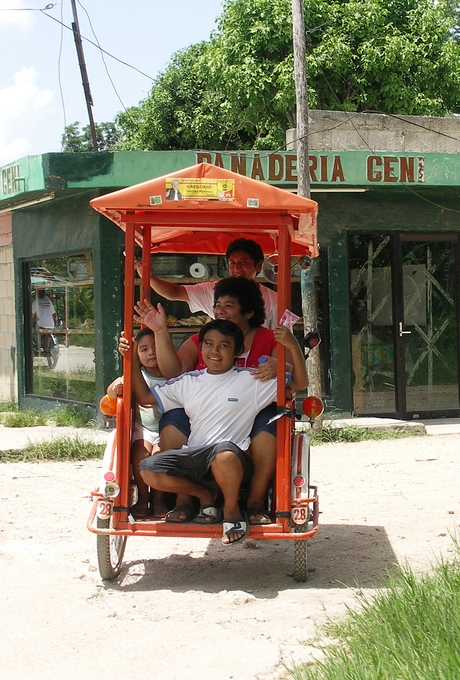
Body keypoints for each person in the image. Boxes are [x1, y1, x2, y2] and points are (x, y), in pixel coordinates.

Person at [131, 318, 308, 546]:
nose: (214, 351)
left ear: (237, 351)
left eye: (223, 345)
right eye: (208, 344)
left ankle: (232, 512)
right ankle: (205, 497)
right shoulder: (187, 382)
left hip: (232, 462)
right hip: (196, 460)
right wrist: (131, 360)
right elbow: (146, 398)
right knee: (148, 470)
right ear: (201, 347)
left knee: (223, 454)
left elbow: (299, 384)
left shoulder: (252, 380)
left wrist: (293, 346)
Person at [130, 277, 284, 525]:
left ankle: (256, 501)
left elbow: (290, 377)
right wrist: (159, 332)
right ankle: (185, 499)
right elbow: (174, 373)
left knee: (269, 423)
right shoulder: (200, 340)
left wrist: (281, 365)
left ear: (248, 312)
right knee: (172, 419)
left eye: (229, 306)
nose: (220, 312)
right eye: (217, 306)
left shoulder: (269, 338)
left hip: (253, 410)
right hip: (202, 414)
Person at [135, 238, 278, 329]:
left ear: (259, 266)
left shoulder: (275, 300)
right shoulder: (215, 290)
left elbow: (284, 339)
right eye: (232, 263)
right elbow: (174, 293)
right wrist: (149, 278)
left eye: (244, 262)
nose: (237, 269)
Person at [105, 327, 167, 519]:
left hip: (166, 429)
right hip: (145, 428)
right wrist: (116, 387)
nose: (151, 353)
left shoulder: (172, 374)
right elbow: (111, 392)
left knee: (160, 458)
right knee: (140, 455)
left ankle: (158, 500)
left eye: (156, 347)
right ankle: (142, 496)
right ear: (137, 354)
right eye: (144, 349)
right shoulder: (137, 376)